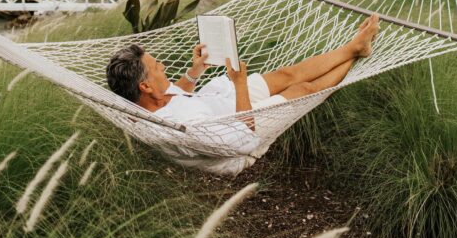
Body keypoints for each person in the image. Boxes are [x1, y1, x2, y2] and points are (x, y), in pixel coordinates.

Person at [106, 14, 379, 151]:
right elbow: (243, 137)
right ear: (145, 86)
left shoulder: (152, 99)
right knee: (303, 89)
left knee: (287, 74)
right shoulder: (182, 122)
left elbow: (175, 93)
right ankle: (357, 52)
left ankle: (354, 48)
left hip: (221, 97)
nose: (162, 66)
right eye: (156, 67)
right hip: (248, 117)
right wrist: (239, 84)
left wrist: (195, 70)